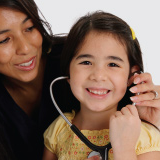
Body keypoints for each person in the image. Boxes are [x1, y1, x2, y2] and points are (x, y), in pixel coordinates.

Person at [0, 0, 160, 159]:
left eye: (30, 28)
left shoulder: (142, 137)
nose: (25, 48)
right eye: (4, 40)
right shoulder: (59, 131)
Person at [43, 11, 160, 160]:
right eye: (86, 62)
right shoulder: (58, 130)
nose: (98, 76)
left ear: (131, 76)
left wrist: (124, 149)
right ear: (68, 72)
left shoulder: (144, 136)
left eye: (113, 64)